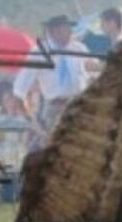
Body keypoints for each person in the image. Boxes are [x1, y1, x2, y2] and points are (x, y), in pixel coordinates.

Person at [13, 15, 90, 151]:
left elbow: (94, 70)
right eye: (66, 30)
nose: (70, 33)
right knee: (55, 150)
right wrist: (32, 121)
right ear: (54, 32)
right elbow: (20, 90)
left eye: (70, 29)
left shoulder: (79, 49)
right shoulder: (39, 52)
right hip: (55, 109)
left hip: (80, 108)